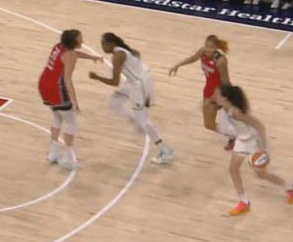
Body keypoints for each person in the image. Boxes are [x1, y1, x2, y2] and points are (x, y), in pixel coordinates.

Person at [213, 85, 293, 216]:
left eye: (217, 93)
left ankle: (292, 187)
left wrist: (263, 149)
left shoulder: (237, 112)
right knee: (233, 169)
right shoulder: (224, 109)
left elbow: (260, 126)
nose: (214, 95)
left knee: (261, 174)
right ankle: (244, 202)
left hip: (254, 142)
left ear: (226, 98)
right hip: (242, 141)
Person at [89, 33, 173, 165]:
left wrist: (96, 77)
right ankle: (134, 122)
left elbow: (114, 81)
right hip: (136, 80)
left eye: (103, 44)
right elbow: (137, 55)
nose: (102, 47)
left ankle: (166, 151)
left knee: (144, 121)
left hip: (139, 84)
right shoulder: (123, 50)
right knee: (114, 102)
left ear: (111, 44)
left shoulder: (118, 56)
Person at [38, 29, 102, 170]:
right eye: (80, 39)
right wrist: (74, 101)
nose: (82, 41)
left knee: (57, 118)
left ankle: (53, 154)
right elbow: (67, 79)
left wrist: (91, 57)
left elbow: (74, 54)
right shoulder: (70, 55)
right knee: (71, 121)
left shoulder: (59, 46)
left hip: (44, 84)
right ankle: (67, 158)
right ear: (74, 42)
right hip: (57, 89)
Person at [167, 35, 233, 147]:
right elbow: (193, 58)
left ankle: (237, 137)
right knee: (208, 124)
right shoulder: (203, 52)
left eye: (211, 47)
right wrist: (178, 65)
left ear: (216, 48)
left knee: (229, 119)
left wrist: (225, 97)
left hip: (220, 93)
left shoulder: (221, 61)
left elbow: (225, 81)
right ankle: (233, 135)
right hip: (208, 91)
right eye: (206, 46)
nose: (208, 49)